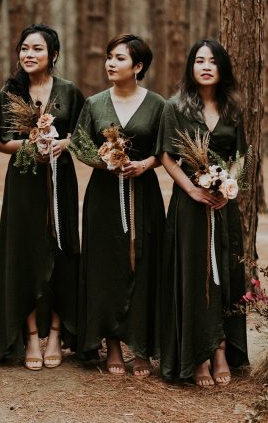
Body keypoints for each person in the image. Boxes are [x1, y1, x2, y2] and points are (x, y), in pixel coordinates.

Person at [0, 23, 84, 370]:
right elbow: (0, 142)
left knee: (61, 249)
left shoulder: (70, 92)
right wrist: (30, 144)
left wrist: (65, 143)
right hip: (24, 181)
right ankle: (30, 336)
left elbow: (82, 133)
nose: (28, 55)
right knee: (25, 253)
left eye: (37, 49)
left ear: (53, 55)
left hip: (62, 180)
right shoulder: (10, 92)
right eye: (24, 48)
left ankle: (57, 333)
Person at [156, 39, 248, 386]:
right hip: (189, 206)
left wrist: (229, 187)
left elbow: (239, 156)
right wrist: (192, 189)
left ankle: (222, 349)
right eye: (199, 60)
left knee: (223, 273)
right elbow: (166, 155)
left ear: (222, 68)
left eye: (212, 61)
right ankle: (197, 355)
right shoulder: (176, 107)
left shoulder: (232, 109)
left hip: (224, 206)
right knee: (194, 276)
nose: (206, 66)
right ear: (191, 68)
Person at [73, 34, 165, 376]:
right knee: (105, 264)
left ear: (138, 66)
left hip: (144, 194)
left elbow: (165, 149)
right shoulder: (95, 103)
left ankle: (140, 346)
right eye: (109, 57)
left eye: (120, 58)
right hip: (104, 196)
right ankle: (111, 344)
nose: (110, 63)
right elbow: (80, 145)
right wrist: (104, 161)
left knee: (142, 261)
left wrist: (146, 164)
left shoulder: (158, 105)